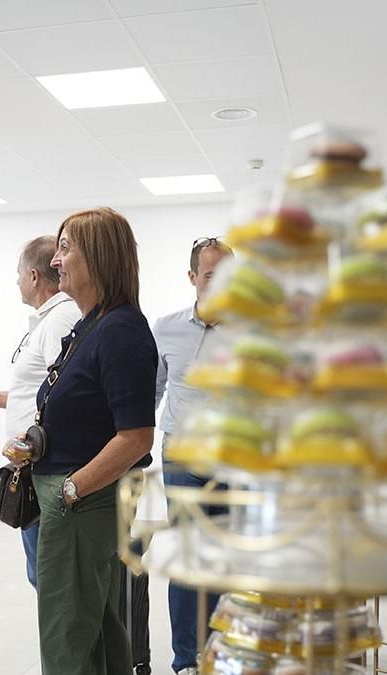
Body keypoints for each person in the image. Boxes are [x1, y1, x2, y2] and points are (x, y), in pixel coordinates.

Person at [19, 207, 157, 675]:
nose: (56, 261)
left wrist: (72, 488)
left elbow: (136, 436)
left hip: (82, 504)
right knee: (97, 631)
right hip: (77, 500)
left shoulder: (120, 330)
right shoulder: (91, 325)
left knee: (67, 636)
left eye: (65, 248)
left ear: (98, 256)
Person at [0, 235, 80, 588]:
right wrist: (1, 398)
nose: (16, 281)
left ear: (34, 276)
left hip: (44, 468)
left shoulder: (60, 319)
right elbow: (44, 391)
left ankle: (62, 644)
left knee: (49, 576)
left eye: (18, 273)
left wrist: (31, 444)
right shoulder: (47, 320)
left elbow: (69, 395)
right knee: (41, 573)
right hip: (35, 465)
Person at [152, 236, 233, 675]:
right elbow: (154, 390)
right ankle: (186, 660)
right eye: (210, 275)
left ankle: (221, 657)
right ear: (192, 278)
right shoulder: (166, 327)